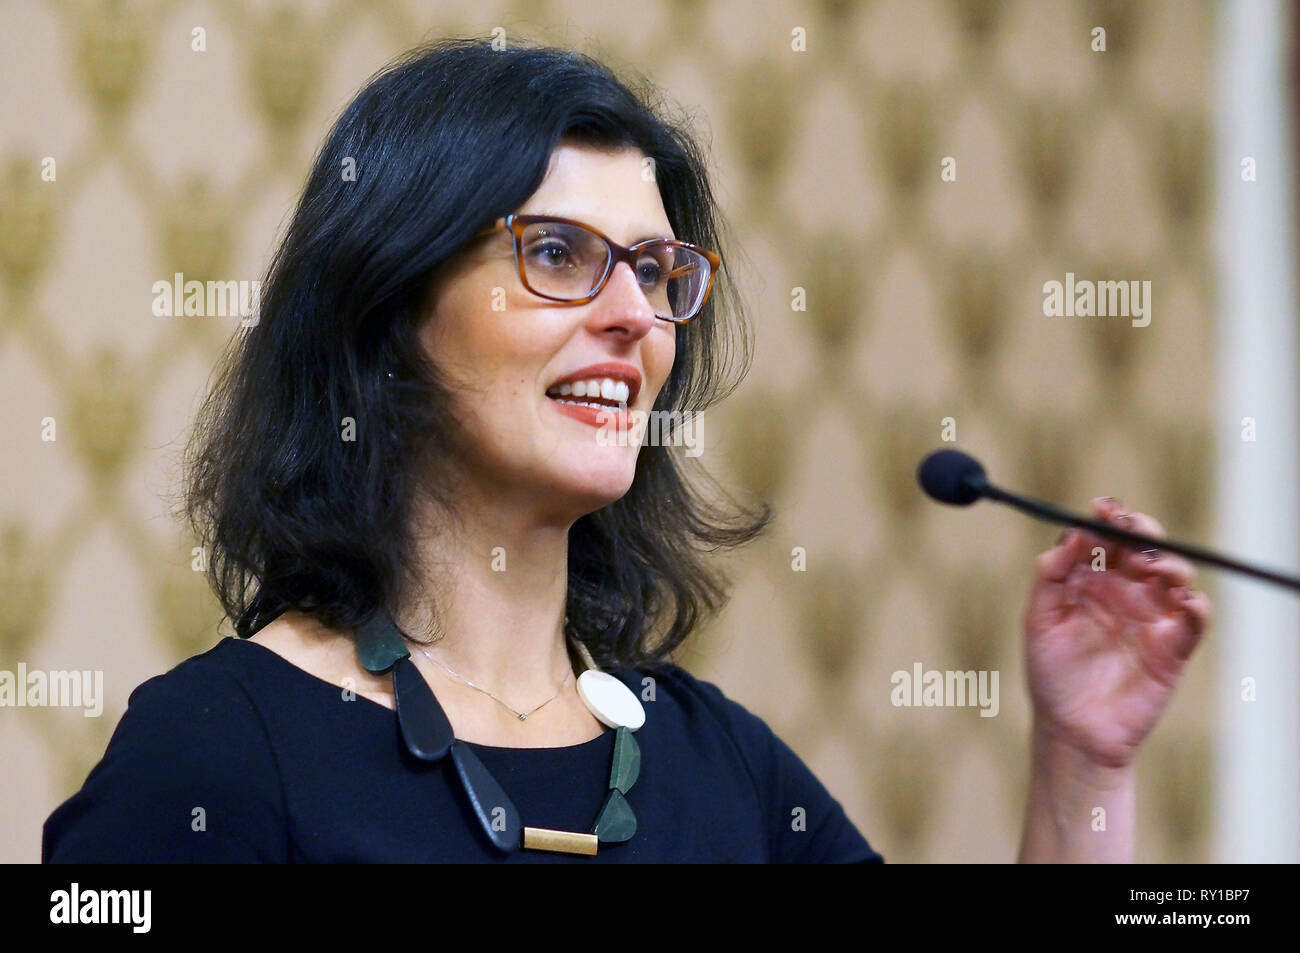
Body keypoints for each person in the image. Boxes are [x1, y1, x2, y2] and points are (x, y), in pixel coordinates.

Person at [42, 38, 1209, 864]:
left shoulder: (721, 766)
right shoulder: (216, 750)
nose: (634, 315)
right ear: (388, 306)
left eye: (656, 270)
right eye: (557, 252)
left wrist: (1081, 761)